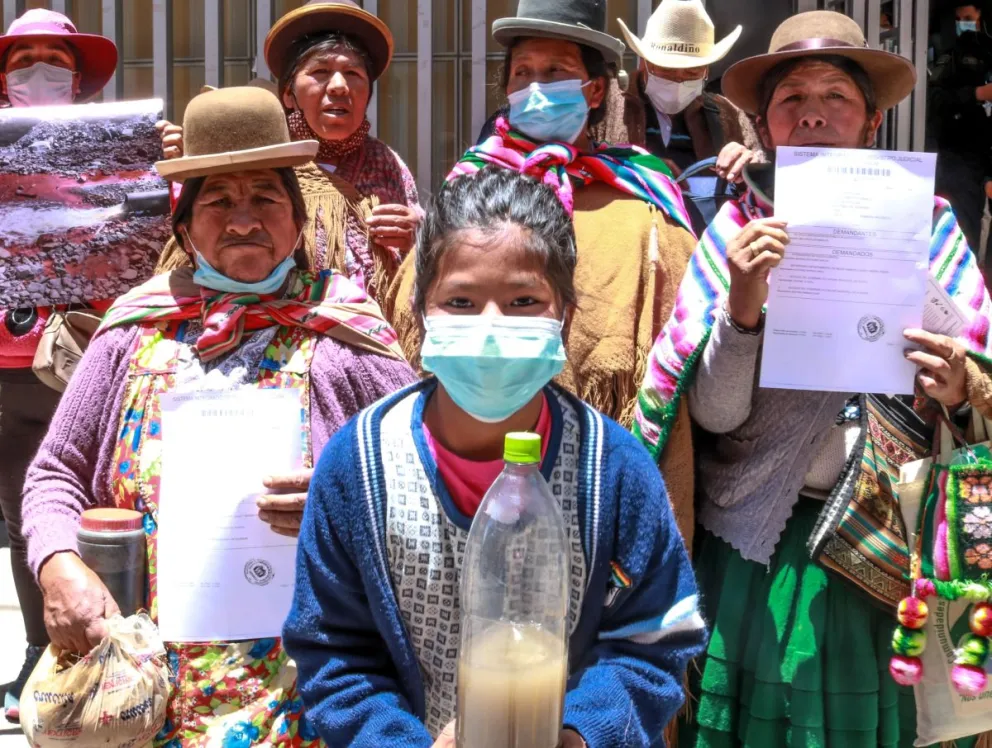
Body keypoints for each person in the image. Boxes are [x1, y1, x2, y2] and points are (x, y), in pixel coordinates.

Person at [633, 11, 992, 747]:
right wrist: (741, 312)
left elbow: (980, 386)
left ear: (872, 122)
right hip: (757, 551)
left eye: (836, 96)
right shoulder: (735, 234)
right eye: (792, 99)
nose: (815, 114)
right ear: (765, 123)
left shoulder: (929, 231)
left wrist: (960, 388)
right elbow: (710, 416)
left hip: (890, 550)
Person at [20, 86, 417, 745]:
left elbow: (420, 481)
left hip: (309, 692)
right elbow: (57, 473)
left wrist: (339, 501)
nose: (243, 221)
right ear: (184, 224)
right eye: (218, 200)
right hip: (142, 691)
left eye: (264, 196)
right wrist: (57, 562)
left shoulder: (346, 335)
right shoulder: (131, 334)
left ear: (294, 215)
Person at [283, 165, 706, 748]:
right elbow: (333, 656)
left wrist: (582, 734)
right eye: (460, 301)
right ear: (420, 308)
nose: (489, 329)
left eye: (523, 300)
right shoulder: (358, 466)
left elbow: (656, 638)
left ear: (566, 313)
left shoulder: (613, 468)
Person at [384, 0, 700, 547]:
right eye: (523, 73)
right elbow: (407, 329)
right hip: (464, 466)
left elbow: (685, 353)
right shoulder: (468, 191)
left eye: (555, 72)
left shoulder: (644, 197)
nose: (535, 86)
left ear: (595, 90)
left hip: (598, 474)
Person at [0, 8, 118, 723]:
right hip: (4, 368)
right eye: (22, 61)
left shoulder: (114, 150)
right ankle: (39, 652)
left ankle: (99, 647)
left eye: (56, 61)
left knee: (90, 508)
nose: (39, 73)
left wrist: (153, 159)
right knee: (23, 518)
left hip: (77, 359)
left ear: (76, 82)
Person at [157, 0, 421, 306]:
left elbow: (423, 264)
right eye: (320, 72)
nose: (338, 86)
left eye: (353, 74)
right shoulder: (257, 157)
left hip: (371, 331)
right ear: (288, 95)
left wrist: (418, 233)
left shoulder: (387, 165)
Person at [617, 0, 758, 177]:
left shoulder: (728, 115)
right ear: (643, 63)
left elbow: (759, 178)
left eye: (692, 72)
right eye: (666, 70)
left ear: (706, 70)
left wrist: (749, 166)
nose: (678, 80)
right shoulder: (607, 109)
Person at [929, 2, 992, 259]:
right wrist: (976, 94)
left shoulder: (988, 51)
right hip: (960, 155)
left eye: (968, 17)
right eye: (958, 18)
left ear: (981, 18)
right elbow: (933, 100)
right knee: (963, 232)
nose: (963, 23)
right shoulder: (951, 54)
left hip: (984, 155)